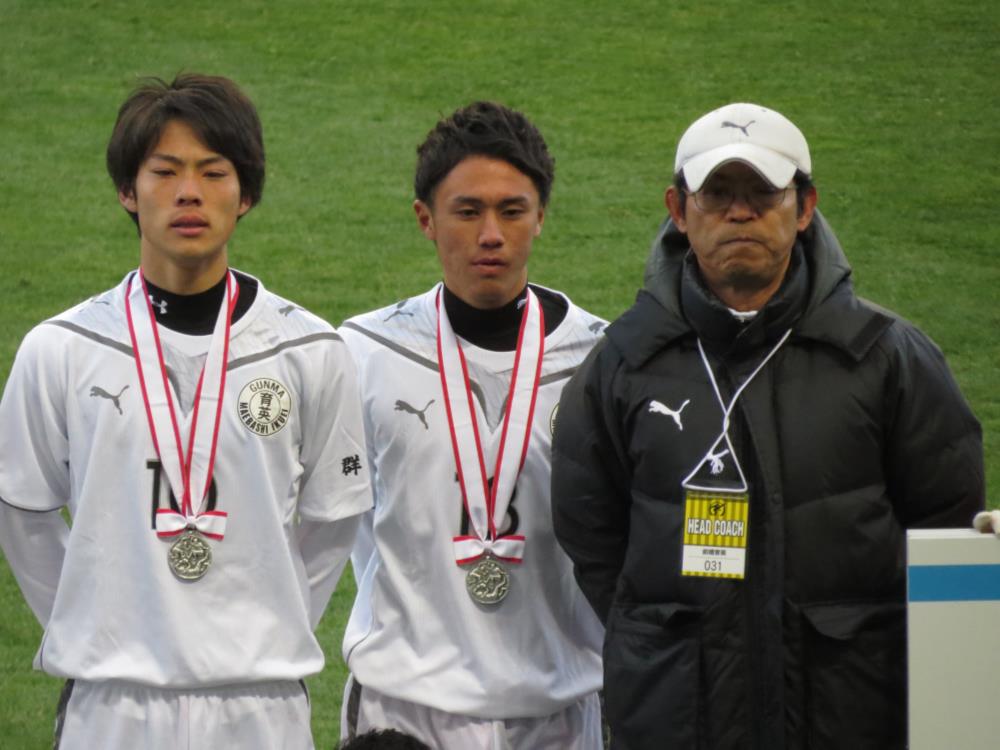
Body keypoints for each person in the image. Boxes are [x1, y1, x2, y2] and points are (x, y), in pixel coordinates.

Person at [550, 102, 985, 749]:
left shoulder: (889, 357)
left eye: (762, 193)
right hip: (678, 719)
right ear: (678, 209)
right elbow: (591, 534)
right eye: (717, 193)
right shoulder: (622, 364)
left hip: (850, 716)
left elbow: (946, 529)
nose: (740, 212)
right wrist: (662, 631)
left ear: (805, 207)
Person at [0, 74, 372, 749]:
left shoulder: (311, 350)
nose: (189, 192)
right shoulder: (60, 350)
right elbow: (21, 510)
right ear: (127, 190)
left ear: (246, 193)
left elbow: (333, 519)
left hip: (260, 707)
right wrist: (94, 623)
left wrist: (264, 624)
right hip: (111, 706)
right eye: (165, 171)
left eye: (213, 171)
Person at [338, 101, 605, 750]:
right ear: (425, 219)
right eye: (467, 211)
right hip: (403, 712)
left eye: (512, 211)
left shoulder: (601, 359)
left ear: (540, 216)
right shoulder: (363, 353)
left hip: (558, 710)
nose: (491, 234)